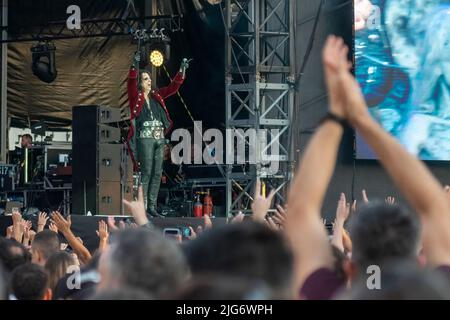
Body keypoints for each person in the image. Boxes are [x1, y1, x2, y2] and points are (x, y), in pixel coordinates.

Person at [126, 55, 190, 216]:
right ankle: (143, 206)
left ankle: (152, 207)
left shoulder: (157, 96)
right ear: (140, 82)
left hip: (159, 137)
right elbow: (130, 84)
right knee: (146, 172)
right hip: (145, 137)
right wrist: (134, 67)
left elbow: (172, 88)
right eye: (145, 79)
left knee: (157, 172)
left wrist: (181, 70)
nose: (149, 81)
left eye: (149, 78)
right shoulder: (136, 97)